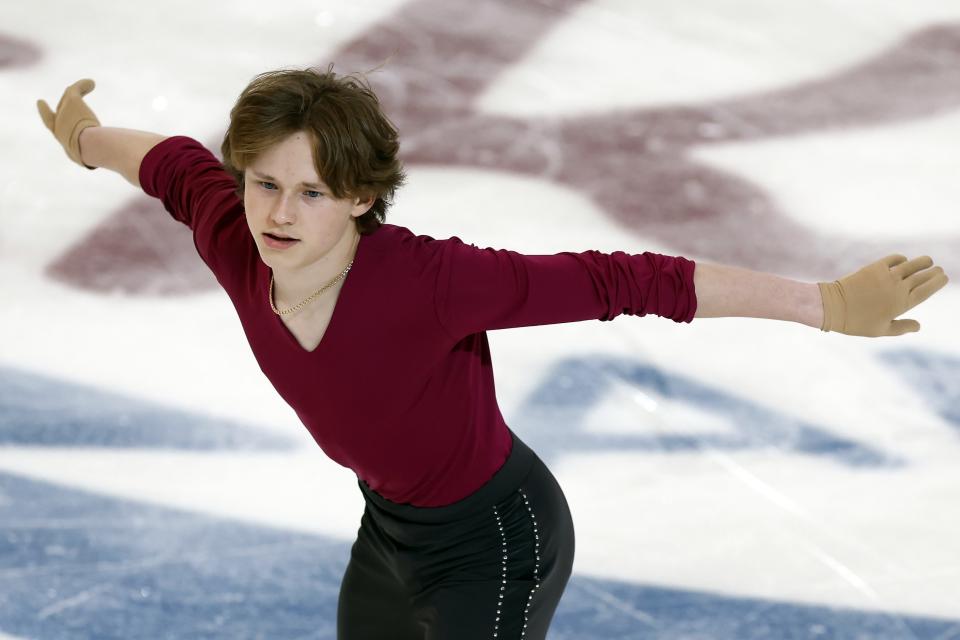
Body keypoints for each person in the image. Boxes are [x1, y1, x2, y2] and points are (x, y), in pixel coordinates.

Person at [37, 69, 949, 640]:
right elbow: (165, 161)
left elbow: (628, 278)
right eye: (264, 183)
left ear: (359, 197)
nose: (278, 213)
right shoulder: (232, 228)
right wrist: (82, 139)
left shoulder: (430, 281)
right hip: (391, 532)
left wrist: (824, 305)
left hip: (499, 538)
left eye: (311, 192)